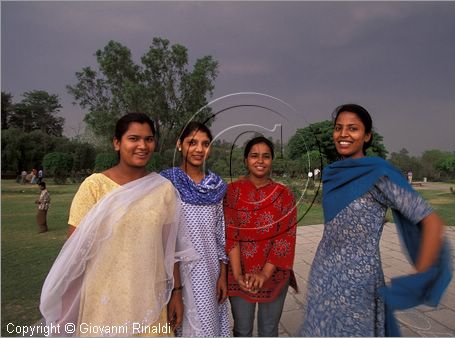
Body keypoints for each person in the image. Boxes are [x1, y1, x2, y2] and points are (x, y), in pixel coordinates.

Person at [40, 113, 200, 336]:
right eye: (133, 138)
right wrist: (68, 310)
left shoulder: (164, 189)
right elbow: (74, 255)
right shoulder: (94, 187)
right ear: (117, 143)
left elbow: (169, 249)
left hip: (149, 300)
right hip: (102, 301)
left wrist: (176, 293)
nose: (142, 146)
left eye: (149, 139)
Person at [300, 104, 452, 336]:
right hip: (323, 274)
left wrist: (420, 275)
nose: (343, 134)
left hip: (359, 282)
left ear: (367, 136)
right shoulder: (333, 173)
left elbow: (431, 222)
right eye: (338, 128)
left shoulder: (378, 174)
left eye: (353, 128)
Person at [160, 121, 231, 337]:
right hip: (177, 273)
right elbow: (165, 239)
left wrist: (223, 276)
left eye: (205, 143)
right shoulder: (166, 183)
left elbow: (220, 234)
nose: (199, 149)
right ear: (180, 145)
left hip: (210, 272)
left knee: (209, 327)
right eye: (192, 142)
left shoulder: (216, 186)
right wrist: (176, 289)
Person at [224, 136, 298, 337]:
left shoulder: (284, 195)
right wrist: (238, 275)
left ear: (272, 160)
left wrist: (264, 274)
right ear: (246, 160)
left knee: (268, 330)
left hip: (274, 275)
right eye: (254, 156)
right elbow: (231, 234)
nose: (260, 161)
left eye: (266, 156)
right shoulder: (231, 192)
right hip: (239, 273)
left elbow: (285, 239)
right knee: (242, 329)